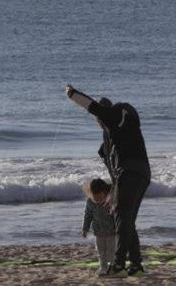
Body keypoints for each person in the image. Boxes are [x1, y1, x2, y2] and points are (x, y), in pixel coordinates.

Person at [66, 85, 151, 277]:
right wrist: (114, 191)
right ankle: (136, 265)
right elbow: (113, 169)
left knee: (122, 219)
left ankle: (119, 264)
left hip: (130, 172)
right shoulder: (113, 135)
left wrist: (73, 95)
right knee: (128, 221)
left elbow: (92, 106)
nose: (98, 122)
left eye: (99, 119)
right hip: (142, 173)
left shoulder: (114, 116)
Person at [81, 178, 117, 276]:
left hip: (112, 231)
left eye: (100, 197)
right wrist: (85, 229)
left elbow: (116, 216)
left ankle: (113, 267)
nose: (98, 200)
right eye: (95, 198)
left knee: (111, 251)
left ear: (105, 192)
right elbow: (88, 215)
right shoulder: (90, 202)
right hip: (98, 232)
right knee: (101, 251)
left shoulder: (110, 200)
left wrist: (119, 228)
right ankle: (103, 268)